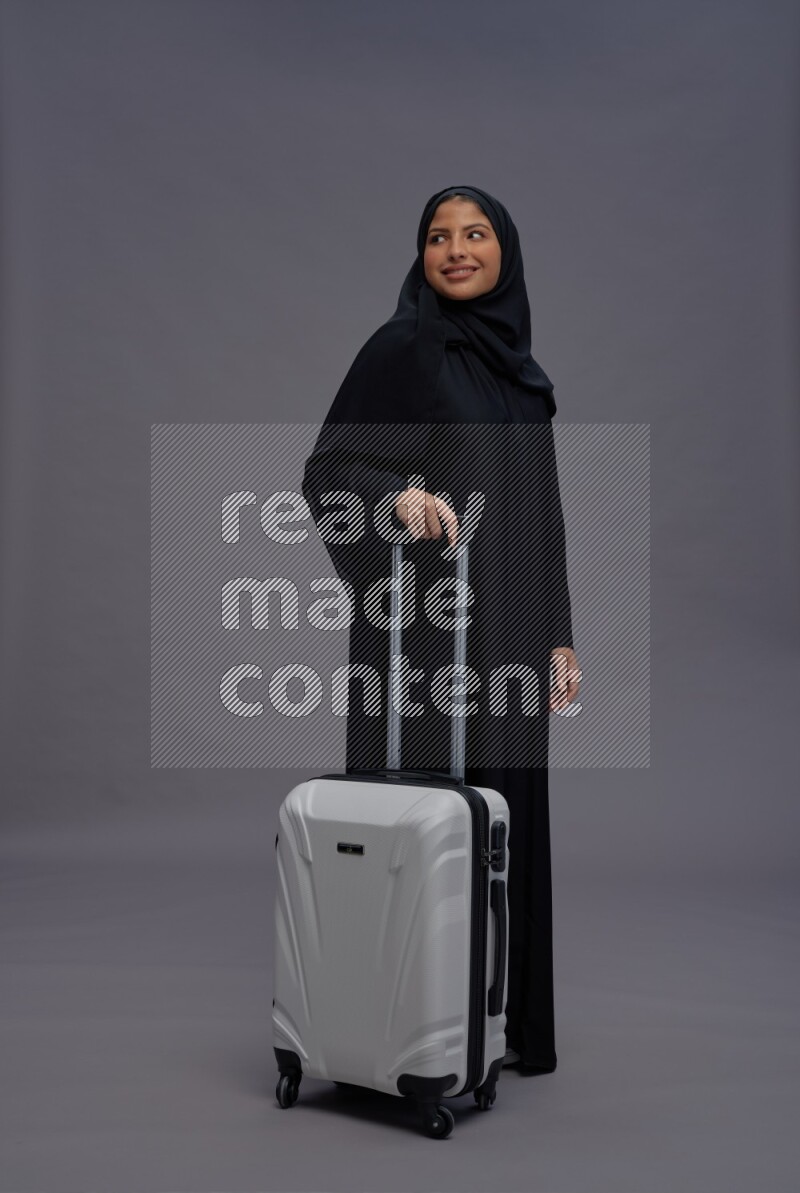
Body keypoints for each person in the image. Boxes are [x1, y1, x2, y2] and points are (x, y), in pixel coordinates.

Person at [302, 184, 580, 1074]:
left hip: (513, 645)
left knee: (506, 826)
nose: (455, 249)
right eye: (437, 236)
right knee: (430, 822)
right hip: (423, 639)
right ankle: (414, 1036)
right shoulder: (403, 350)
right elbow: (329, 470)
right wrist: (396, 496)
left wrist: (559, 636)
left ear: (507, 252)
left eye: (475, 233)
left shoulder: (520, 379)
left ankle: (501, 1030)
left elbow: (543, 517)